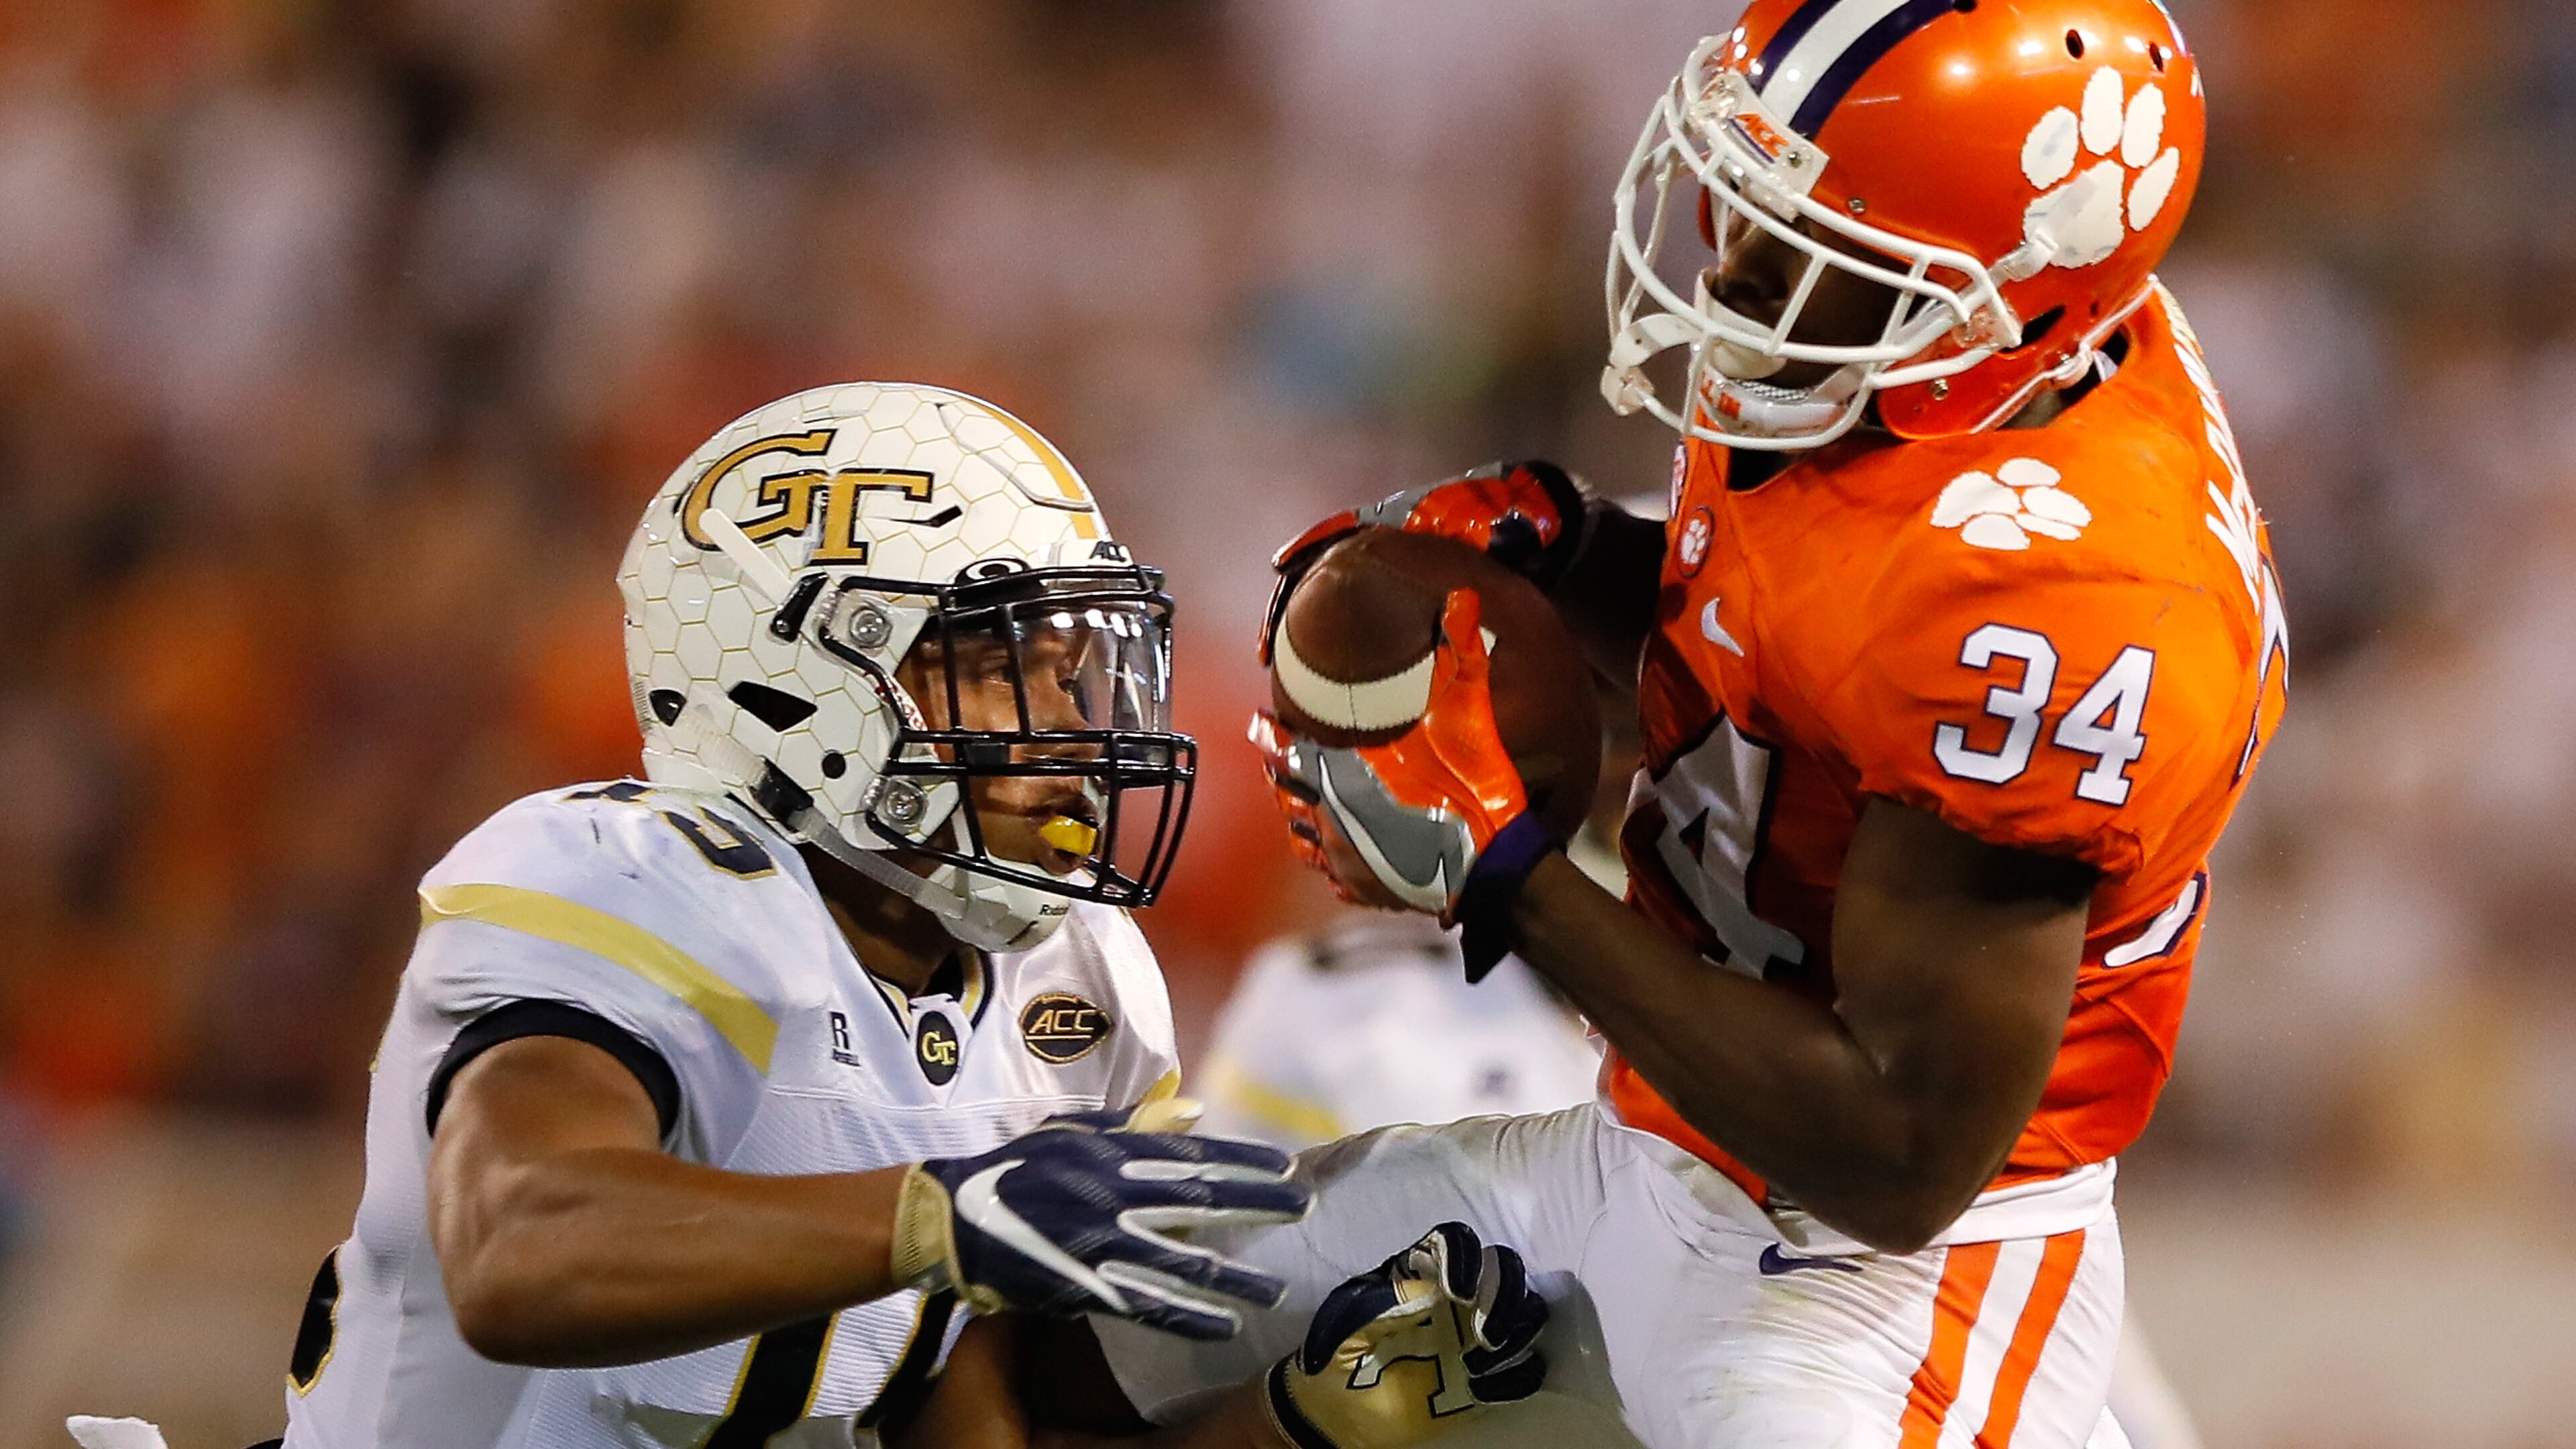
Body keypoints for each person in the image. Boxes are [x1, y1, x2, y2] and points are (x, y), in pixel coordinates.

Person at [1088, 2, 2288, 1446]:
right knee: (1089, 1327)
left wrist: (1505, 875)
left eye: (1813, 246)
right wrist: (1576, 545)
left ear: (1993, 303)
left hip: (1883, 1293)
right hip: (1648, 1154)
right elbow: (1789, 664)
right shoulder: (1935, 362)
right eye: (1749, 194)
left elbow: (1900, 1156)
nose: (1735, 260)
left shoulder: (2062, 601)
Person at [262, 382, 1541, 1449]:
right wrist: (939, 1215)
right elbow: (519, 1245)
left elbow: (985, 1407)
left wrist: (1314, 1406)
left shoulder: (1074, 974)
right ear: (795, 686)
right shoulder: (634, 873)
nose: (1076, 726)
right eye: (998, 667)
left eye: (1076, 663)